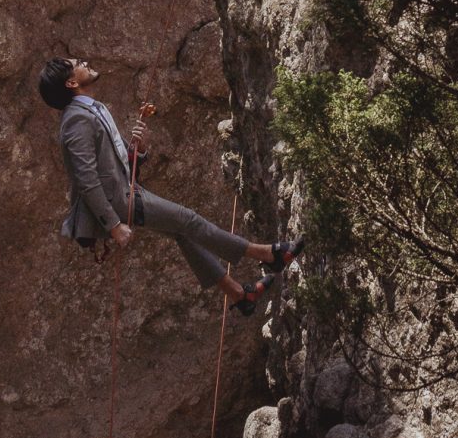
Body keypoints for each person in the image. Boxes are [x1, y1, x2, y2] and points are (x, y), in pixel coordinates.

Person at [38, 55, 301, 315]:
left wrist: (137, 152)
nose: (83, 62)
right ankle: (267, 254)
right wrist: (114, 225)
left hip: (123, 193)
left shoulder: (89, 110)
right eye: (76, 65)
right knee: (188, 220)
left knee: (181, 231)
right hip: (118, 201)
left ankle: (239, 295)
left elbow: (109, 165)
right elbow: (86, 178)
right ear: (71, 83)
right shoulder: (76, 119)